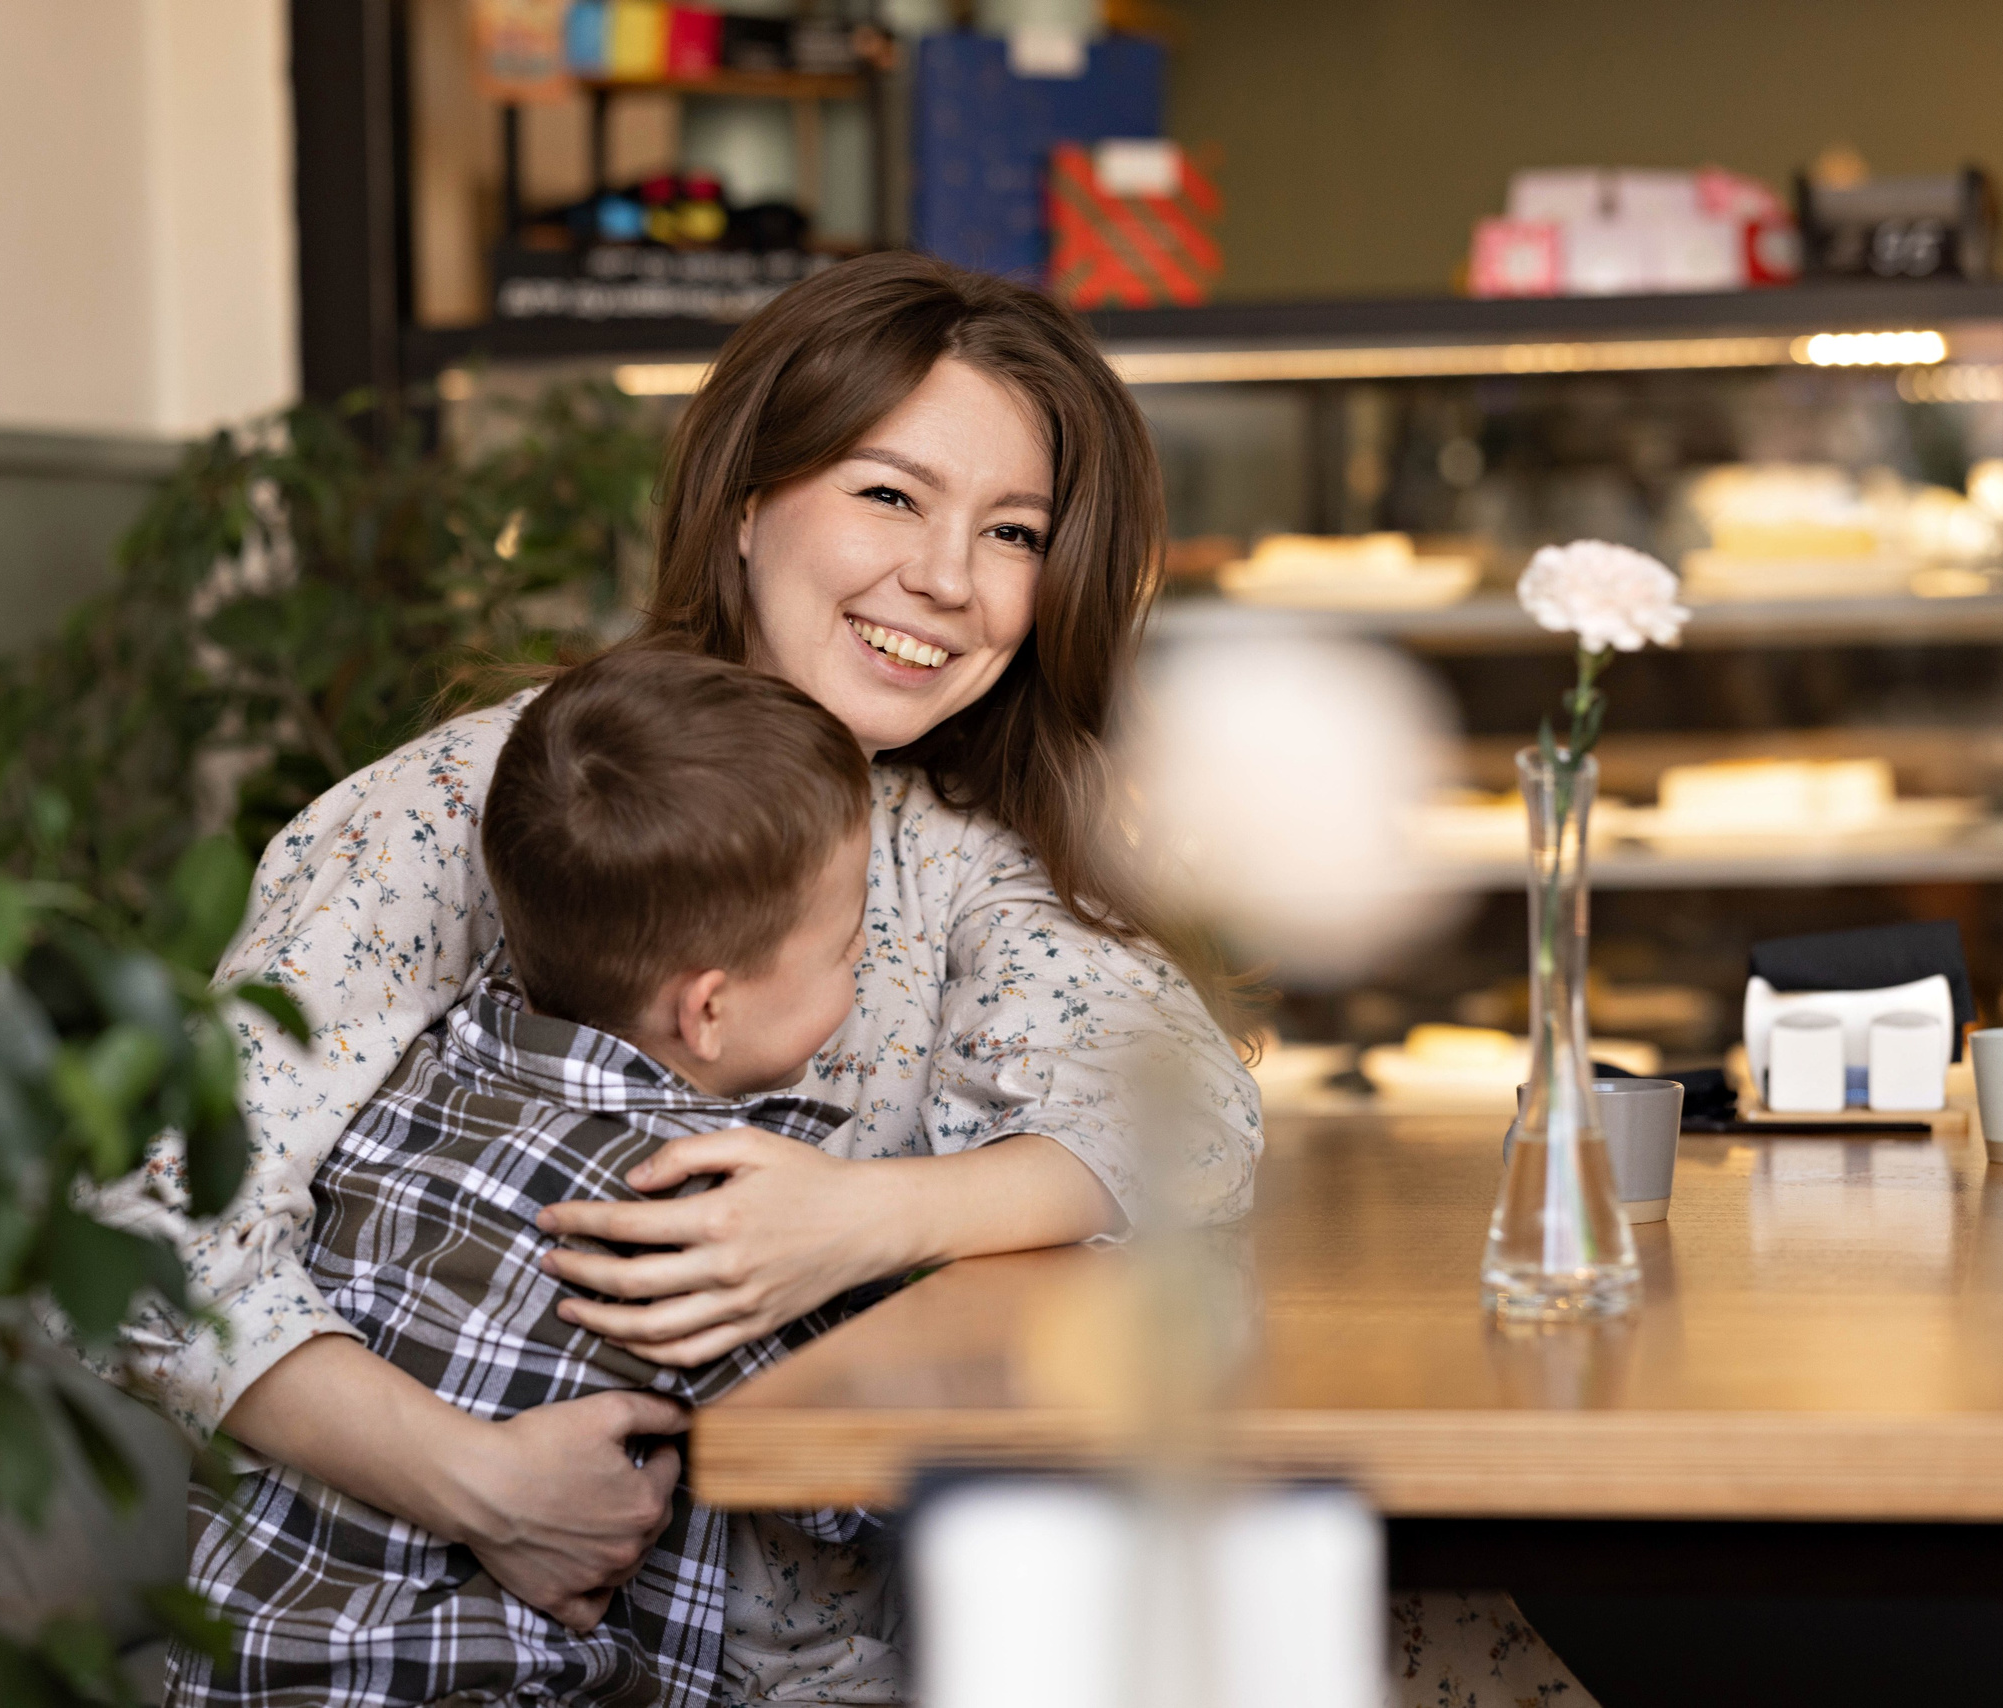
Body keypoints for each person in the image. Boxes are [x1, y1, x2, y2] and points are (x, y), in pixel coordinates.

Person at [101, 248, 1263, 1634]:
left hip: (865, 1641)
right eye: (890, 495)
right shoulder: (479, 794)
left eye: (1015, 532)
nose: (948, 578)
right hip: (448, 1637)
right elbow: (153, 1229)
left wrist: (855, 1221)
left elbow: (1190, 1126)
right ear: (745, 505)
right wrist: (481, 1486)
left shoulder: (963, 847)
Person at [172, 649, 904, 1707]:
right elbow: (862, 1482)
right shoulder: (691, 1212)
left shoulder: (424, 1072)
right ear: (707, 1010)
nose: (864, 957)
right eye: (847, 945)